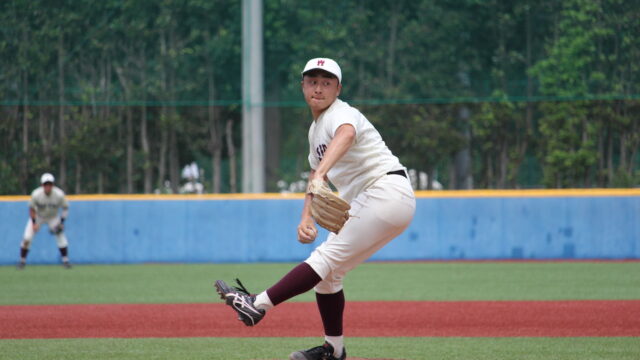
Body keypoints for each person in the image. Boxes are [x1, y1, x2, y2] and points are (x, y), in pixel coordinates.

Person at [214, 58, 416, 360]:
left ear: (338, 88)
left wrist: (321, 174)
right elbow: (314, 175)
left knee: (323, 259)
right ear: (303, 86)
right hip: (379, 200)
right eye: (313, 81)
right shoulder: (315, 130)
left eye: (326, 82)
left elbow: (345, 135)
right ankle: (333, 350)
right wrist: (305, 218)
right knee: (328, 277)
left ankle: (257, 304)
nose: (319, 87)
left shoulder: (342, 114)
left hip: (384, 191)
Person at [17, 173, 72, 269]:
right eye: (46, 184)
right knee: (27, 237)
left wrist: (61, 222)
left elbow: (65, 208)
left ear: (53, 185)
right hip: (38, 216)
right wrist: (34, 223)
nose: (48, 186)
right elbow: (31, 209)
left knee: (60, 236)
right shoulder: (36, 194)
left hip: (53, 217)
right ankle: (22, 261)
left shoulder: (59, 194)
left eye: (49, 184)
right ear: (42, 185)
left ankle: (65, 260)